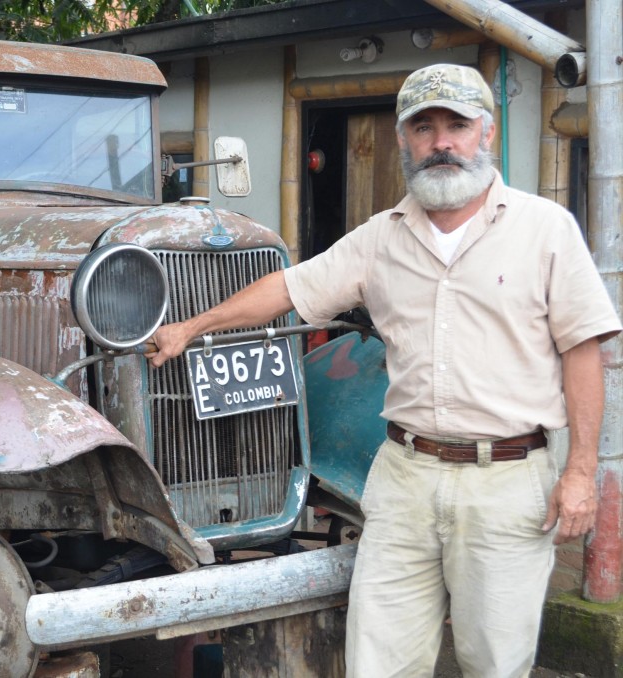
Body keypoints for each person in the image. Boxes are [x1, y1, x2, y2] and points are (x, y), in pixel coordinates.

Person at [145, 63, 622, 678]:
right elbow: (288, 287)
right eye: (424, 127)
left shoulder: (545, 229)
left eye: (457, 124)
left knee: (494, 662)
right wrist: (190, 328)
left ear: (488, 133)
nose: (441, 141)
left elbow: (584, 351)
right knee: (378, 660)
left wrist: (581, 472)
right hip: (403, 477)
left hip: (506, 481)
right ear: (403, 140)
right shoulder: (381, 237)